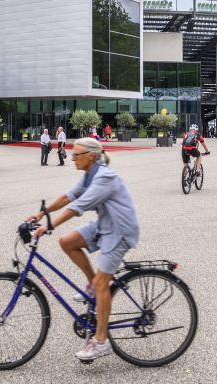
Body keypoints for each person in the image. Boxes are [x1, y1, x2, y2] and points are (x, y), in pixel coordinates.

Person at [28, 137, 139, 361]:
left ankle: (100, 341)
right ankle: (93, 285)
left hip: (119, 231)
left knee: (102, 283)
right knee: (67, 242)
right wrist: (42, 213)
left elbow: (77, 207)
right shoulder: (90, 174)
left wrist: (47, 226)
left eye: (76, 154)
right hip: (104, 225)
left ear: (90, 156)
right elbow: (67, 196)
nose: (71, 158)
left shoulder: (104, 177)